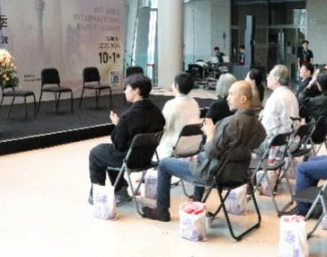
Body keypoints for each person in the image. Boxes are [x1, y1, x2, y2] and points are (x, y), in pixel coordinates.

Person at [142, 81, 266, 222]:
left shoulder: (229, 123)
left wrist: (210, 134)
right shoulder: (258, 125)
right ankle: (197, 200)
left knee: (164, 164)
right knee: (200, 156)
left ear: (243, 99)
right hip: (239, 174)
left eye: (231, 94)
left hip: (214, 175)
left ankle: (161, 210)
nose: (227, 98)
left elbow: (211, 153)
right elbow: (250, 148)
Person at [88, 74, 165, 205]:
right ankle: (120, 190)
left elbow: (118, 145)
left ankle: (98, 193)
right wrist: (121, 125)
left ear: (136, 91)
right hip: (146, 158)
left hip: (130, 160)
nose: (124, 91)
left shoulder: (128, 117)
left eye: (127, 88)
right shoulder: (157, 112)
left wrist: (118, 125)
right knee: (108, 153)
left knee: (96, 153)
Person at [157, 73, 200, 159]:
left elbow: (162, 125)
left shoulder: (171, 104)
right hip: (194, 146)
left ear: (176, 86)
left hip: (174, 148)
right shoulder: (195, 103)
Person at [259, 65, 299, 138]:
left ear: (276, 79)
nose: (267, 78)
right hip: (290, 139)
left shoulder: (275, 99)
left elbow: (267, 128)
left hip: (274, 141)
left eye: (269, 75)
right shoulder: (291, 94)